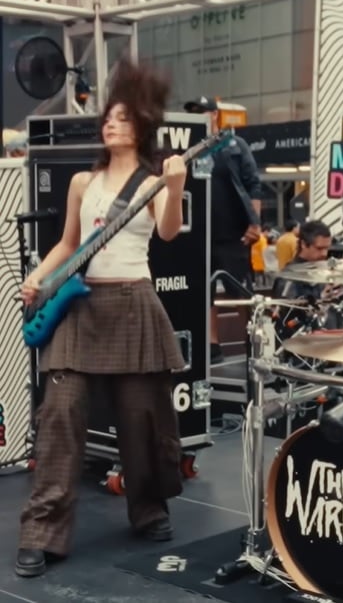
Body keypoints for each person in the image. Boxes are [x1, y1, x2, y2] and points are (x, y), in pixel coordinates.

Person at [16, 59, 188, 578]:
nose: (110, 124)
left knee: (143, 421)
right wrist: (38, 278)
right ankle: (42, 533)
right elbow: (68, 245)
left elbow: (169, 235)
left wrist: (175, 185)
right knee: (59, 417)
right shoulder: (80, 182)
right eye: (107, 118)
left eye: (122, 118)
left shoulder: (155, 181)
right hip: (81, 307)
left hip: (134, 304)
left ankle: (149, 510)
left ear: (142, 128)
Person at [183, 96, 263, 364]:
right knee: (203, 292)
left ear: (215, 115)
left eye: (203, 113)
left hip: (233, 233)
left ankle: (254, 342)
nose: (199, 117)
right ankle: (211, 344)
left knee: (240, 291)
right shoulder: (184, 147)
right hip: (198, 234)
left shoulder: (233, 145)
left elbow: (253, 183)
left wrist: (255, 223)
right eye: (194, 113)